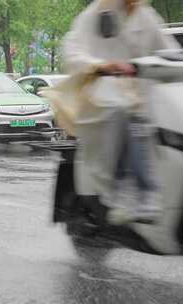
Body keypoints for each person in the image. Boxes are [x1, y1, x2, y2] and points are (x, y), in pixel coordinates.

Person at [62, 0, 180, 223]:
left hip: (142, 97)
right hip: (101, 97)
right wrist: (101, 65)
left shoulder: (146, 16)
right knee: (126, 113)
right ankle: (130, 188)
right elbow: (73, 50)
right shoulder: (97, 13)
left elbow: (169, 49)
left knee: (144, 117)